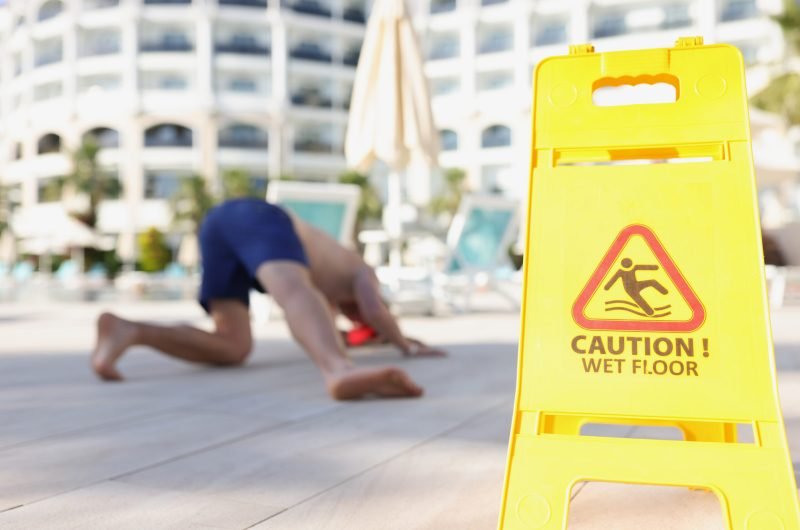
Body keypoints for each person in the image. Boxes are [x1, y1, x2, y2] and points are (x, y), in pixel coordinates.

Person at [92, 198, 445, 400]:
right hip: (256, 215)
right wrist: (407, 345)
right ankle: (337, 371)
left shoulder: (326, 297)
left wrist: (356, 335)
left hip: (217, 228)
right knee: (294, 290)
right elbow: (374, 310)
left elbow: (324, 323)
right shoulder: (361, 271)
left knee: (233, 346)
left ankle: (128, 330)